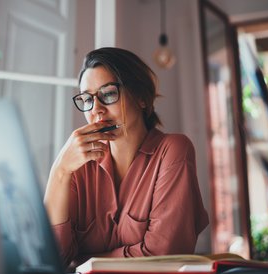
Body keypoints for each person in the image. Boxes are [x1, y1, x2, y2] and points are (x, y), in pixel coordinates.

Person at [44, 47, 209, 267]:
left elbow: (163, 256)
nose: (97, 111)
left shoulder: (173, 151)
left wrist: (84, 262)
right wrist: (60, 171)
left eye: (109, 93)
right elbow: (53, 258)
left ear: (141, 97)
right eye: (87, 99)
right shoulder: (77, 166)